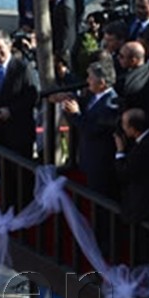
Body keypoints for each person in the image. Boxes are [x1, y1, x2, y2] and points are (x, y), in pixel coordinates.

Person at [59, 60, 121, 198]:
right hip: (88, 159)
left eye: (91, 78)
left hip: (100, 164)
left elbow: (92, 130)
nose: (87, 81)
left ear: (102, 82)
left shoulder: (111, 105)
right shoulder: (94, 96)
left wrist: (75, 114)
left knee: (100, 201)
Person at [0, 32, 40, 159]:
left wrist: (11, 110)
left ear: (9, 46)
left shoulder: (23, 68)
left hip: (19, 131)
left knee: (21, 173)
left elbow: (32, 95)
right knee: (3, 171)